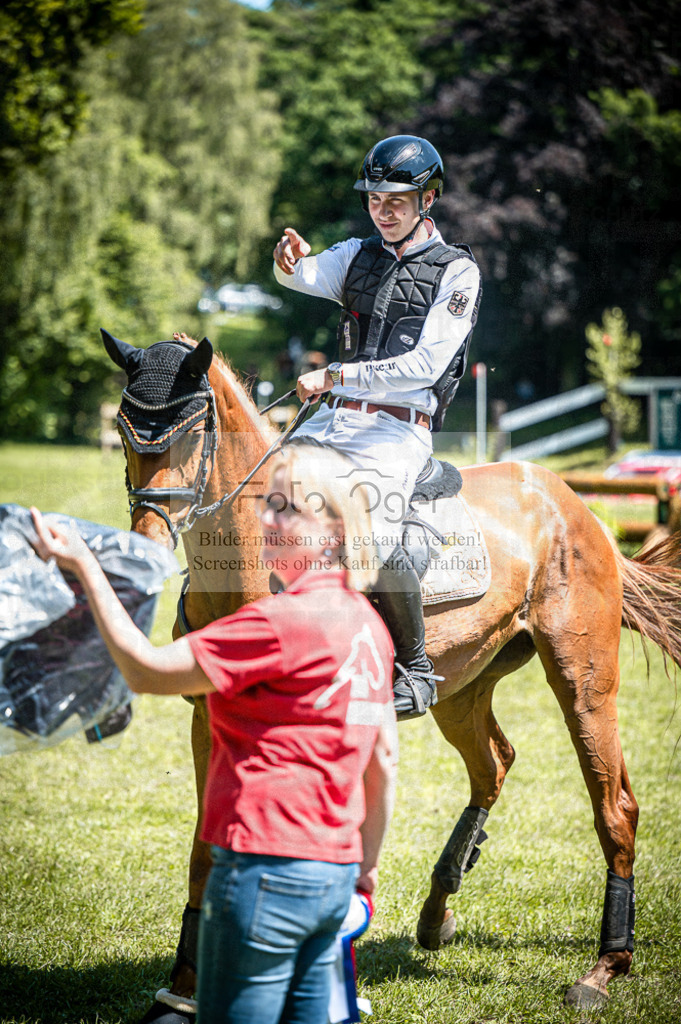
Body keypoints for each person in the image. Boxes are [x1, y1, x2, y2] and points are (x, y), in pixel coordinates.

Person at [30, 443, 398, 1024]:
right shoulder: (370, 627)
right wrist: (366, 867)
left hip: (261, 873)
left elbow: (145, 670)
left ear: (332, 528)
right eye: (268, 503)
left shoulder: (277, 624)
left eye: (287, 508)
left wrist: (85, 566)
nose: (266, 519)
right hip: (334, 881)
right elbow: (383, 760)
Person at [273, 134, 482, 720]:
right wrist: (287, 262)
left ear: (428, 198)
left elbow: (424, 367)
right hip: (336, 420)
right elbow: (301, 277)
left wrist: (337, 375)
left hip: (400, 431)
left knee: (374, 529)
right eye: (374, 199)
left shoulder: (457, 272)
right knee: (264, 497)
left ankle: (413, 668)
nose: (382, 210)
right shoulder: (354, 254)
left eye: (396, 199)